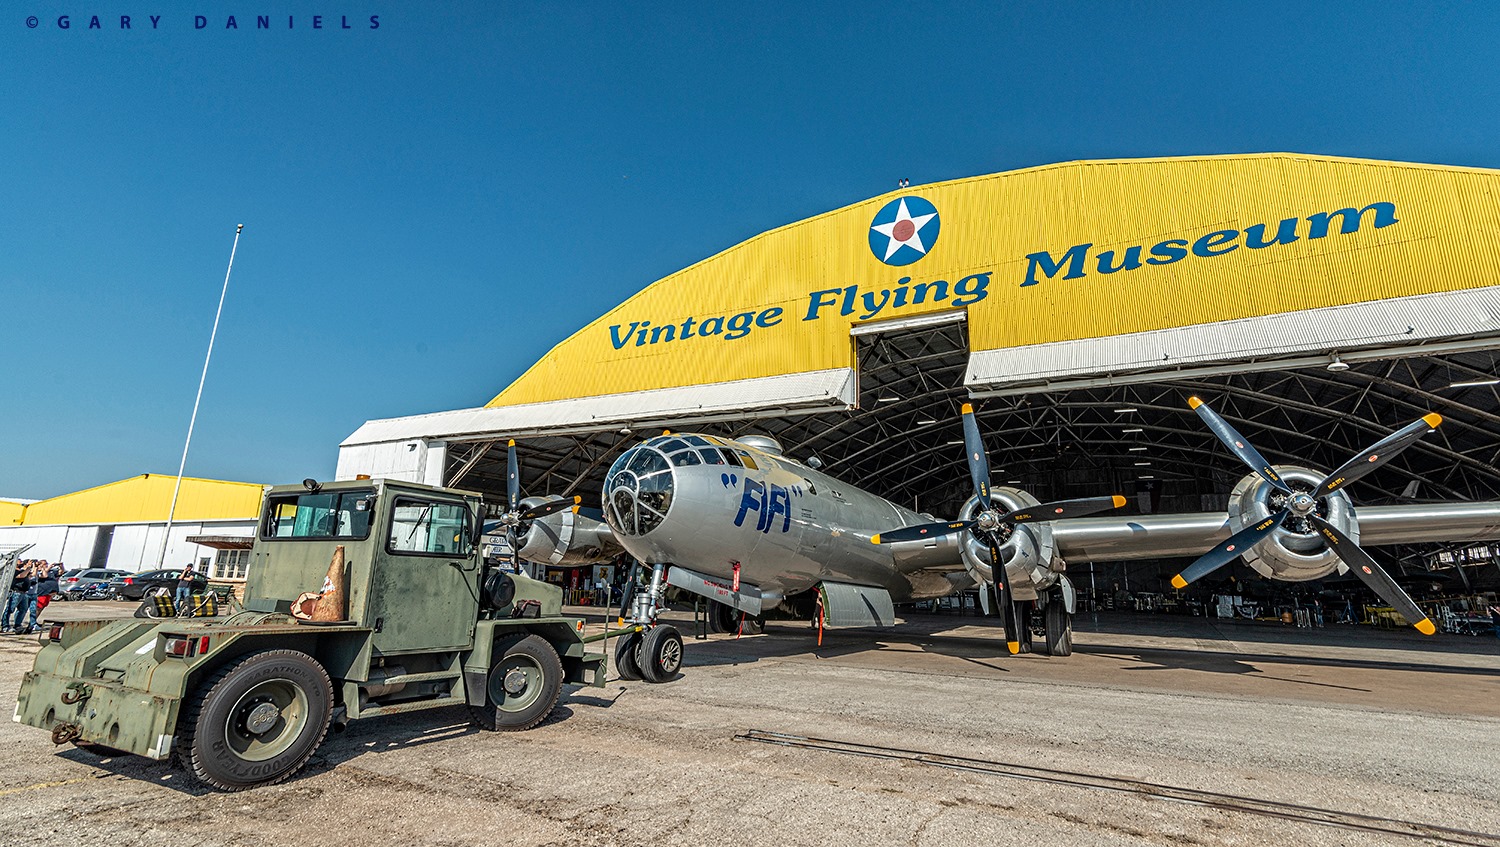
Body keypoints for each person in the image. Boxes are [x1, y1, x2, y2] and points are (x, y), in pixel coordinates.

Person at [5, 562, 35, 634]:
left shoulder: (23, 571)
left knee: (23, 609)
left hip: (24, 593)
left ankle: (17, 625)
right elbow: (21, 576)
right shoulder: (14, 571)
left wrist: (33, 566)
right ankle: (5, 625)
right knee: (10, 609)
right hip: (16, 592)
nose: (21, 562)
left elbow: (33, 574)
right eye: (19, 561)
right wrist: (28, 569)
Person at [29, 563, 59, 633]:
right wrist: (43, 568)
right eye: (44, 564)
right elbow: (44, 576)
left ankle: (34, 621)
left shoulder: (51, 572)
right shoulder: (39, 572)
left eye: (46, 564)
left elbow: (60, 572)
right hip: (42, 593)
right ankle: (32, 623)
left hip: (48, 594)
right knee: (38, 608)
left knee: (41, 608)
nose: (46, 565)